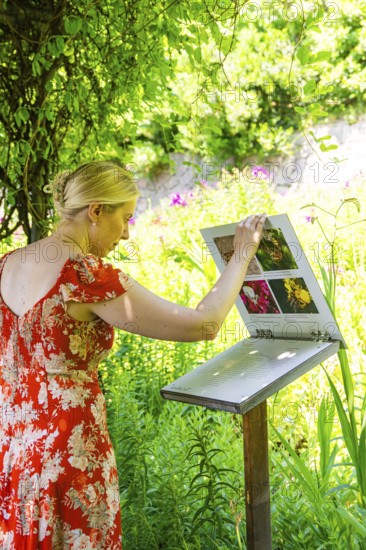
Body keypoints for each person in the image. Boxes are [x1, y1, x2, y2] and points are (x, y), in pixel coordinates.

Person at [0, 160, 266, 549]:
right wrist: (241, 254)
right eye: (124, 218)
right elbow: (204, 325)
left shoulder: (7, 265)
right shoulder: (85, 276)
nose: (125, 234)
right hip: (71, 461)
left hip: (14, 457)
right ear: (95, 211)